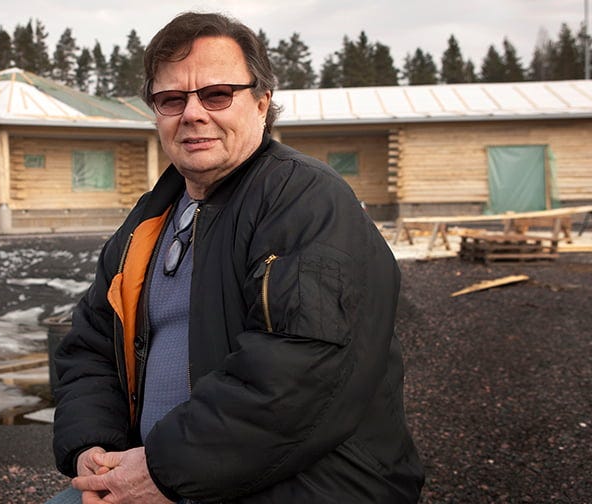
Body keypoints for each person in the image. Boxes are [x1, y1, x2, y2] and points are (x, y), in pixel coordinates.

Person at [49, 11, 423, 504]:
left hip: (306, 485)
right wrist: (94, 450)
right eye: (171, 99)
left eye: (217, 94)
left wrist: (162, 470)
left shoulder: (305, 200)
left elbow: (298, 371)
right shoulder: (148, 222)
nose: (193, 113)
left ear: (262, 103)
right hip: (159, 476)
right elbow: (89, 347)